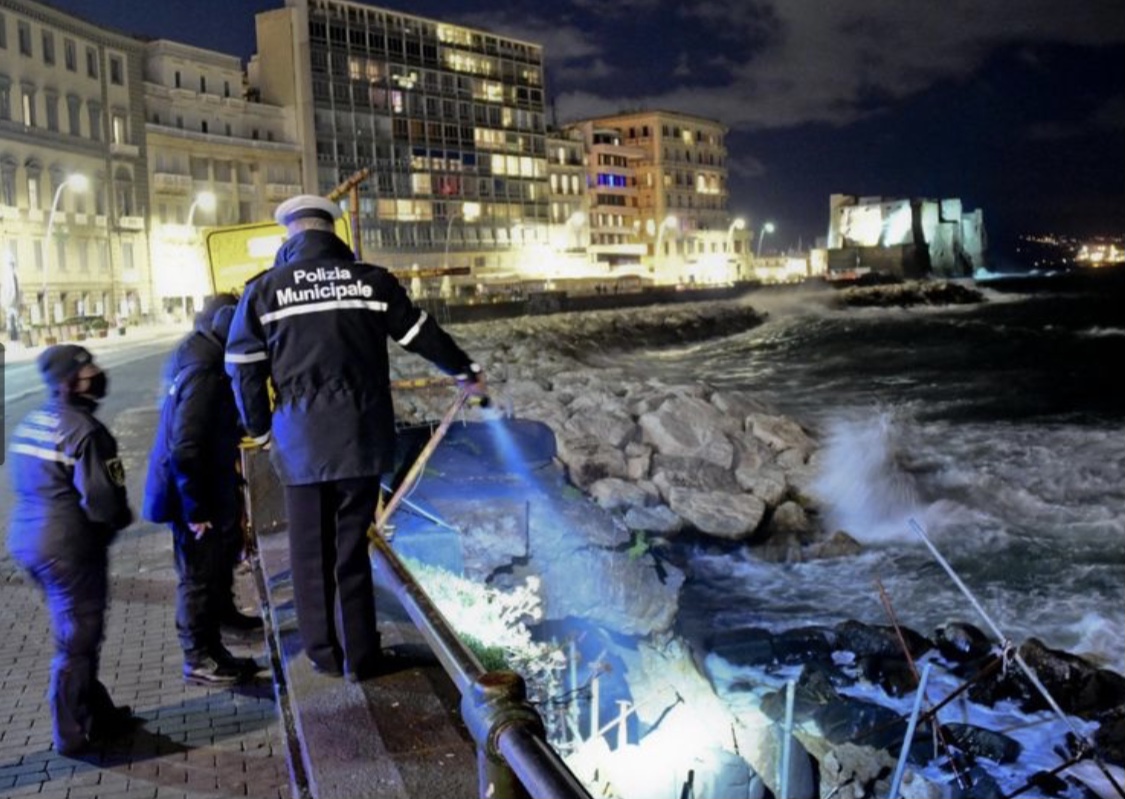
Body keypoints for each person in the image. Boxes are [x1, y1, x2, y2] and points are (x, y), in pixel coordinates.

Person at [225, 194, 486, 681]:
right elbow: (420, 334)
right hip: (362, 434)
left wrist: (259, 430)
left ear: (290, 237)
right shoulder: (371, 280)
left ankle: (324, 653)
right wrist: (464, 370)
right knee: (352, 549)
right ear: (333, 232)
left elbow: (242, 366)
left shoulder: (264, 291)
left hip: (299, 441)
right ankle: (362, 657)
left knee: (308, 551)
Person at [7, 345, 137, 756]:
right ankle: (71, 733)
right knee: (77, 642)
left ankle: (97, 713)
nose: (98, 373)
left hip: (30, 541)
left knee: (76, 633)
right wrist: (114, 526)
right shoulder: (85, 431)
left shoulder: (32, 421)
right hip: (68, 548)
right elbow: (104, 503)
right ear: (69, 380)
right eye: (88, 370)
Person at [144, 295, 262, 686]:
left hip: (202, 489)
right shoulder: (204, 374)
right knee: (196, 577)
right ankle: (198, 658)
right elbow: (186, 446)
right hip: (192, 497)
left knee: (210, 572)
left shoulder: (202, 360)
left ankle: (214, 650)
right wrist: (196, 509)